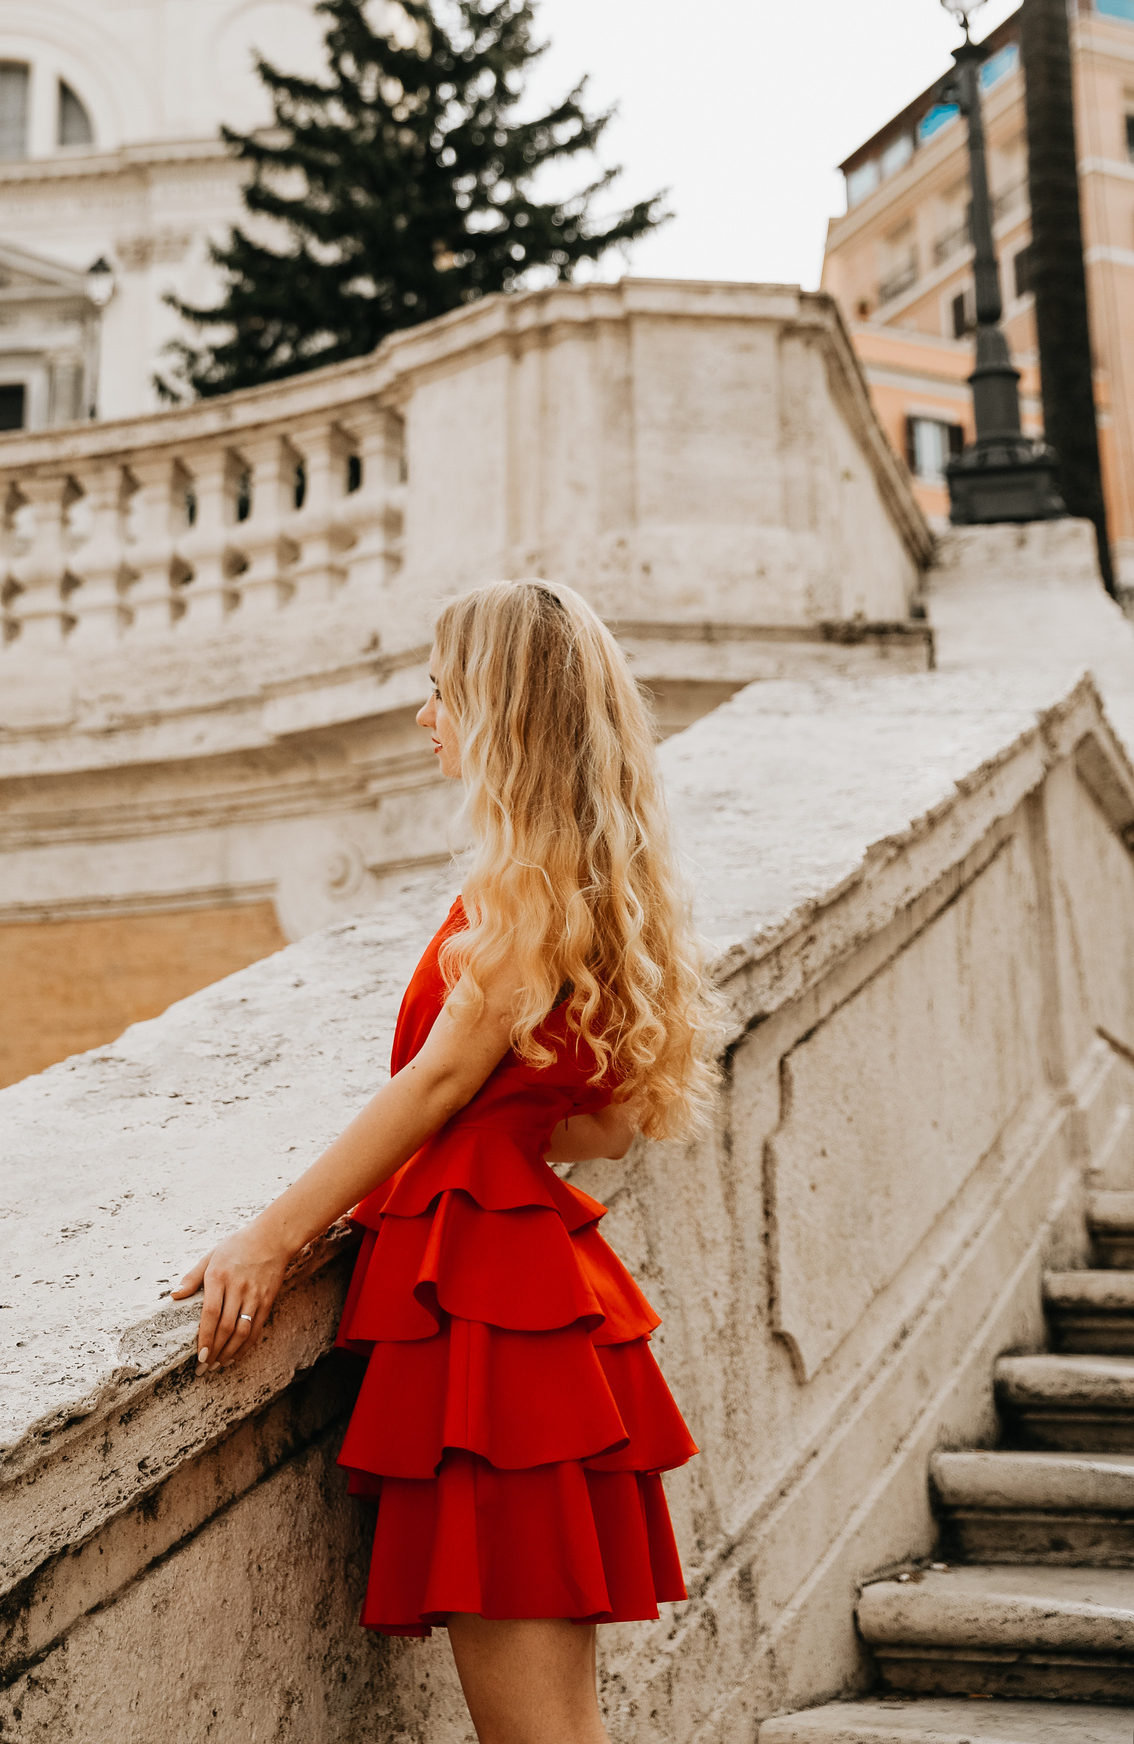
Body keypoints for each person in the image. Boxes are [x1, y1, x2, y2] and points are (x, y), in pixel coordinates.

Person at [174, 578, 722, 1744]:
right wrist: (499, 1131)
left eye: (439, 691)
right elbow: (605, 1126)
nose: (425, 717)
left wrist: (268, 1239)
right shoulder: (594, 892)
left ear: (500, 710)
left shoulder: (517, 899)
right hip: (535, 1313)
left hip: (489, 1329)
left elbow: (427, 1085)